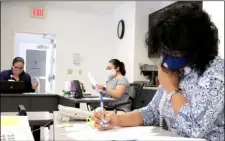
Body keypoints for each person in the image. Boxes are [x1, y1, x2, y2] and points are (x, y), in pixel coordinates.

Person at [91, 2, 224, 141]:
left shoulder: (216, 73)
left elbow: (196, 127)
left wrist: (172, 90)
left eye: (172, 51)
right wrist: (116, 119)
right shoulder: (178, 70)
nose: (165, 58)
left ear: (195, 47)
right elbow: (152, 112)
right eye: (163, 50)